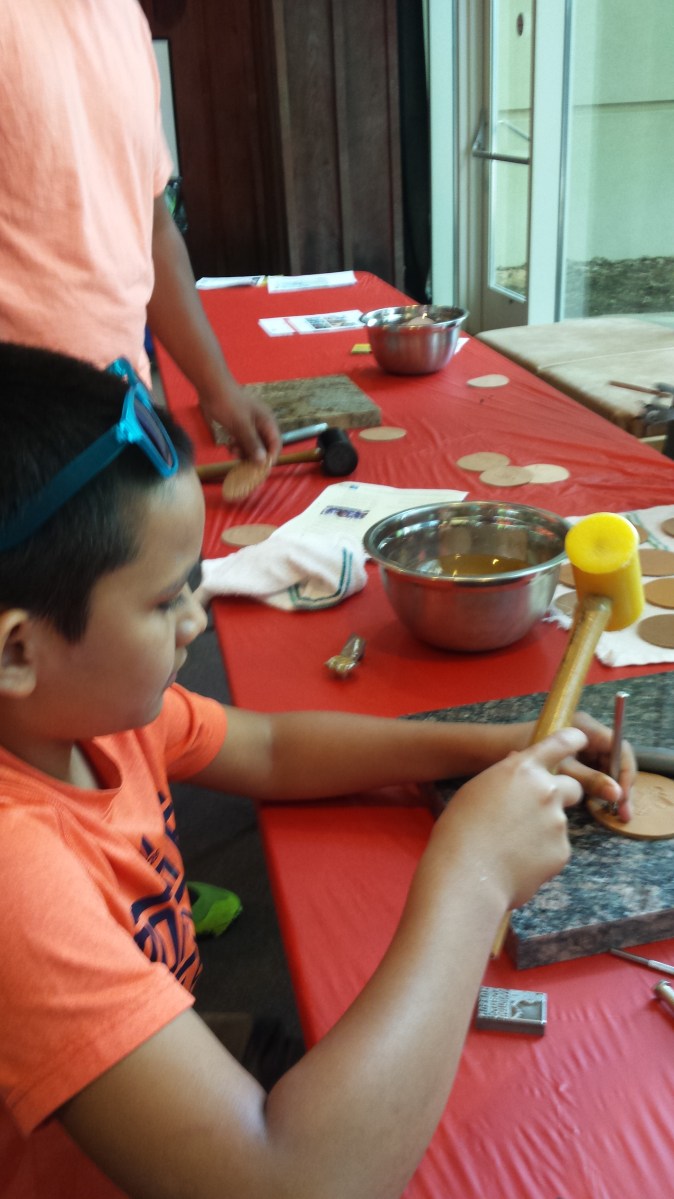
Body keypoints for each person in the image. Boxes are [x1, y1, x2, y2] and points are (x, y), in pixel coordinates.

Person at [0, 342, 634, 1199]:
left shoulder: (88, 717)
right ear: (18, 650)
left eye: (194, 582)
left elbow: (269, 747)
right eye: (163, 599)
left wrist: (496, 743)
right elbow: (297, 1183)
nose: (197, 620)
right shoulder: (17, 877)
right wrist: (474, 872)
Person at [0, 1, 280, 464]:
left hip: (120, 411)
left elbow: (154, 231)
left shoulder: (125, 19)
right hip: (22, 427)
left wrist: (218, 387)